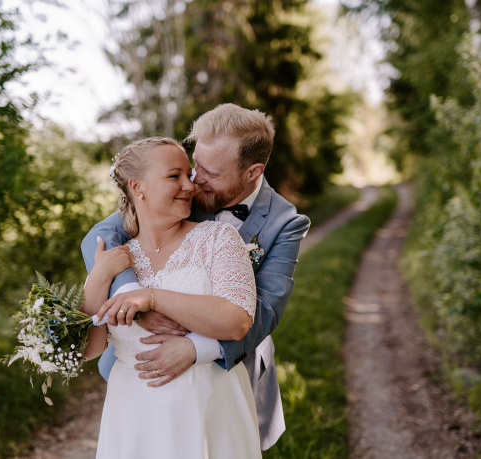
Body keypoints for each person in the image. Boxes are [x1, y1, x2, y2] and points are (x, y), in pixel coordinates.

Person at [82, 103, 311, 451]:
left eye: (209, 172)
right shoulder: (181, 192)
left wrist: (195, 348)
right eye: (194, 166)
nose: (195, 180)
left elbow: (264, 309)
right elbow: (99, 238)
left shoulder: (284, 223)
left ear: (252, 172)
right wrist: (133, 293)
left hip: (222, 371)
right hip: (137, 383)